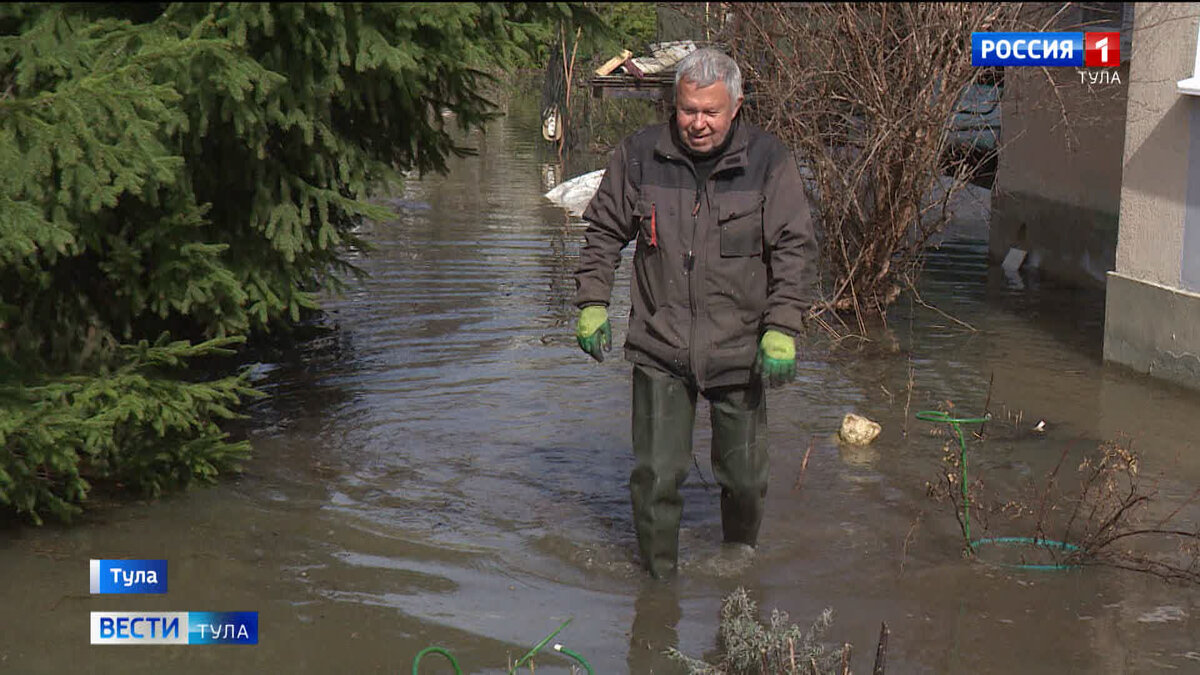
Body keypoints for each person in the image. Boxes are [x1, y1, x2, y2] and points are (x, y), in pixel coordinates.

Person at [572, 47, 818, 579]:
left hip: (740, 344)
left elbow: (794, 248)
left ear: (736, 106)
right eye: (687, 110)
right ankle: (657, 589)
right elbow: (603, 233)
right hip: (661, 343)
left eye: (710, 112)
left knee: (745, 479)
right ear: (673, 104)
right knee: (657, 476)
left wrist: (782, 328)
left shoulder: (769, 161)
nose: (698, 124)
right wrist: (592, 300)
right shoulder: (639, 155)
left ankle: (739, 574)